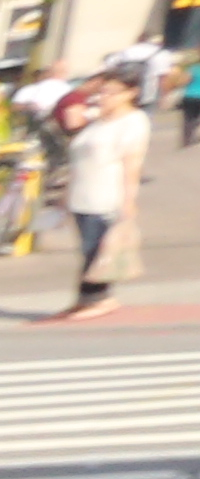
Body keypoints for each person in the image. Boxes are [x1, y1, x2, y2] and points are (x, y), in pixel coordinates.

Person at [63, 78, 149, 314]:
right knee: (87, 248)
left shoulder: (133, 121)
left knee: (98, 248)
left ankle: (100, 298)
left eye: (112, 92)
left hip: (106, 192)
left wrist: (129, 199)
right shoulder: (98, 121)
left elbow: (132, 162)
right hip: (82, 192)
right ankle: (84, 298)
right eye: (102, 92)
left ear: (131, 93)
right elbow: (77, 152)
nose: (104, 97)